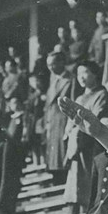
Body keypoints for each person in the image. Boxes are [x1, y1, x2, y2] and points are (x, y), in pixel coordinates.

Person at [67, 61, 108, 211]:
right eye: (79, 74)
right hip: (77, 143)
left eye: (85, 72)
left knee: (89, 179)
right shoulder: (79, 98)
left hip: (91, 142)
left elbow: (97, 118)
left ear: (94, 74)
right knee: (77, 181)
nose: (81, 77)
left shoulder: (102, 94)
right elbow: (70, 122)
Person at [44, 50, 76, 185]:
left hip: (63, 119)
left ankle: (62, 178)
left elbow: (73, 101)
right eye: (48, 65)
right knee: (53, 153)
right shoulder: (53, 80)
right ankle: (55, 177)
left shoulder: (71, 79)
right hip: (52, 121)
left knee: (62, 152)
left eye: (53, 64)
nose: (51, 68)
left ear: (62, 62)